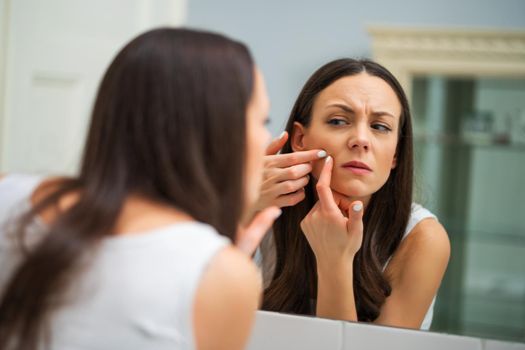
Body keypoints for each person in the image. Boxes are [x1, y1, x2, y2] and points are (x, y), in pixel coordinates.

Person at [0, 28, 280, 350]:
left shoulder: (8, 193)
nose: (266, 139)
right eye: (262, 120)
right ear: (217, 133)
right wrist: (221, 265)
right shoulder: (224, 276)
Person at [258, 58, 450, 330]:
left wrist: (335, 260)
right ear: (301, 139)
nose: (361, 139)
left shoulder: (423, 238)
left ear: (395, 152)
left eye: (380, 127)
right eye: (338, 121)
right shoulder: (264, 214)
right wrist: (241, 209)